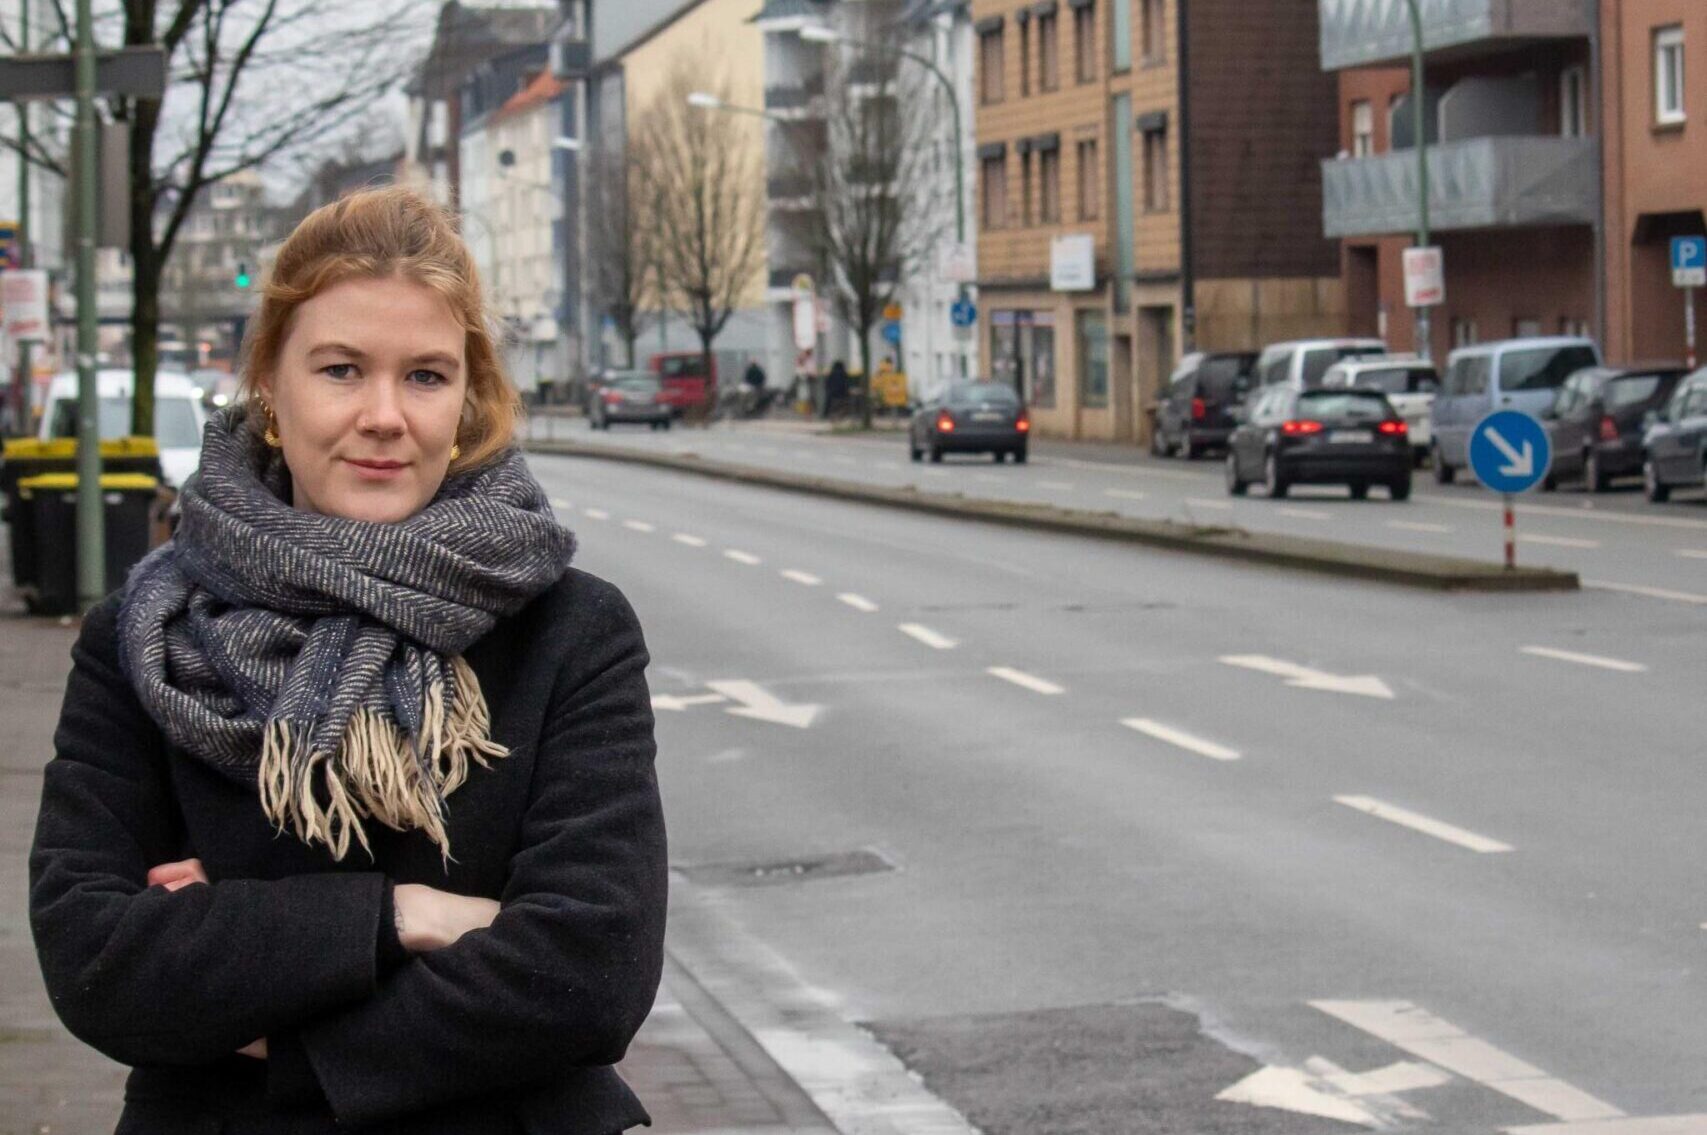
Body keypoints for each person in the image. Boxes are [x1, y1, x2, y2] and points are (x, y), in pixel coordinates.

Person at [28, 187, 667, 1134]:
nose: (383, 415)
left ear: (467, 397)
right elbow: (98, 958)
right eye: (339, 370)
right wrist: (407, 913)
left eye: (425, 376)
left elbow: (591, 970)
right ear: (272, 395)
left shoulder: (569, 630)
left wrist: (272, 1018)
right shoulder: (148, 634)